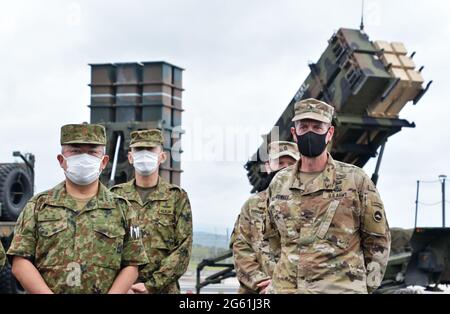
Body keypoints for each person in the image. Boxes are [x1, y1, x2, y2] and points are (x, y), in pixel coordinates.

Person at [266, 98, 391, 294]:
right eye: (304, 126)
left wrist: (365, 286)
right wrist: (276, 279)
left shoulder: (355, 180)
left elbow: (378, 240)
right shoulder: (280, 183)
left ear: (329, 132)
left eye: (317, 127)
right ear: (294, 133)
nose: (310, 132)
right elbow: (269, 237)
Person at [7, 123, 148, 294]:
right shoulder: (38, 206)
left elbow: (132, 264)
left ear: (103, 162)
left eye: (92, 152)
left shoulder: (122, 209)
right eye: (75, 151)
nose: (84, 157)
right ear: (61, 160)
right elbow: (20, 262)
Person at [110, 129, 192, 294]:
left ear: (162, 156)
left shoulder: (176, 197)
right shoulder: (115, 196)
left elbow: (183, 249)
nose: (144, 155)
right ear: (131, 157)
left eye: (150, 150)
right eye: (139, 150)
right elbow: (107, 246)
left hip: (164, 290)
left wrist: (152, 285)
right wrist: (123, 286)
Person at [231, 141, 299, 294]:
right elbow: (241, 249)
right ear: (268, 166)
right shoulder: (252, 205)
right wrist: (261, 283)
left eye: (290, 163)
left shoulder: (311, 203)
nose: (285, 167)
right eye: (279, 162)